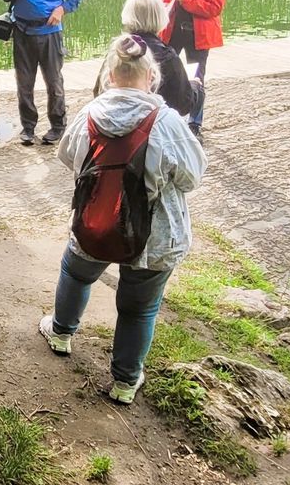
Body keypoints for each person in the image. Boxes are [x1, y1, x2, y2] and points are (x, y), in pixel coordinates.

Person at [38, 34, 206, 405]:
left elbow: (67, 157)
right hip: (154, 235)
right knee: (139, 308)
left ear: (110, 76)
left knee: (76, 272)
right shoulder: (167, 122)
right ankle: (125, 382)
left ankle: (61, 333)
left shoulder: (89, 114)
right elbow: (191, 177)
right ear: (151, 77)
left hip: (95, 221)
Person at [0, 0, 85, 145]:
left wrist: (62, 9)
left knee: (54, 82)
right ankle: (28, 128)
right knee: (24, 83)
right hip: (22, 31)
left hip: (50, 33)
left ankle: (57, 126)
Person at [160, 0, 226, 139]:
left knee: (195, 78)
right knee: (164, 74)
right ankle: (165, 118)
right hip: (173, 33)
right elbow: (166, 3)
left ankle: (195, 124)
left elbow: (214, 9)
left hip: (198, 36)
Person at [117, 0, 200, 120]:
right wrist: (194, 86)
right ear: (161, 17)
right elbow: (183, 105)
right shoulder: (167, 56)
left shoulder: (116, 52)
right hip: (155, 124)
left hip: (119, 119)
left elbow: (99, 92)